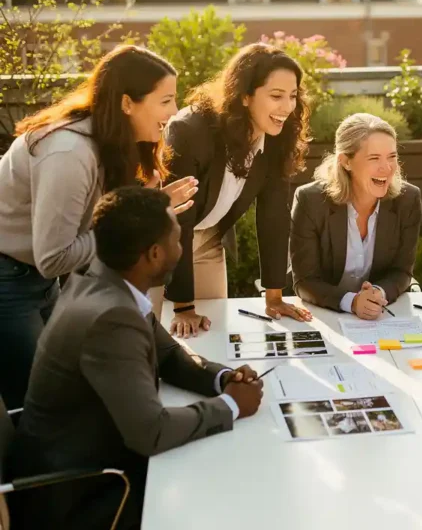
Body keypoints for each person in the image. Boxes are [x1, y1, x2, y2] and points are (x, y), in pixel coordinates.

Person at [7, 187, 264, 529]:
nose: (182, 248)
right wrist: (231, 406)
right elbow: (151, 431)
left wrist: (223, 379)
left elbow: (169, 354)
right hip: (82, 494)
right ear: (154, 254)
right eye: (177, 239)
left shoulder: (104, 281)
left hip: (89, 458)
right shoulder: (111, 316)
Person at [0, 45, 197, 410]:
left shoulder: (110, 145)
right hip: (9, 281)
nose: (174, 112)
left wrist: (145, 209)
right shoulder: (69, 153)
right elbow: (55, 258)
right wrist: (130, 222)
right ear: (127, 104)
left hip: (37, 281)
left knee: (65, 392)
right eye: (166, 100)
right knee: (40, 404)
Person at [163, 43, 312, 338]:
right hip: (161, 241)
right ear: (245, 95)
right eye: (276, 96)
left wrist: (274, 297)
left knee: (214, 333)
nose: (287, 107)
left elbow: (273, 216)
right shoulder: (190, 131)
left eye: (293, 96)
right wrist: (183, 307)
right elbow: (179, 216)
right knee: (164, 333)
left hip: (209, 240)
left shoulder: (276, 137)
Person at [290, 113, 422, 319]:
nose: (387, 167)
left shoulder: (408, 199)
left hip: (382, 315)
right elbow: (305, 280)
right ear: (346, 161)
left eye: (392, 157)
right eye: (374, 158)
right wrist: (352, 302)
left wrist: (378, 293)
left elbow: (402, 271)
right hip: (323, 314)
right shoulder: (311, 201)